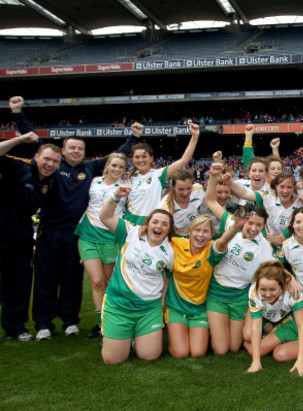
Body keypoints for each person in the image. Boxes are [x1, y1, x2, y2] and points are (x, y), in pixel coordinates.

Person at [9, 95, 144, 341]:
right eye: (71, 148)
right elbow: (34, 142)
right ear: (63, 150)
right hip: (49, 231)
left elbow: (117, 158)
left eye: (80, 149)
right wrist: (18, 113)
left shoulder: (90, 169)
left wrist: (133, 138)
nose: (75, 151)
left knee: (71, 279)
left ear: (84, 152)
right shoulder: (52, 166)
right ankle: (43, 324)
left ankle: (70, 321)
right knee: (45, 278)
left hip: (77, 234)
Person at [98, 185, 174, 364]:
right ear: (147, 224)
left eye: (164, 224)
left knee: (150, 355)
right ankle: (117, 335)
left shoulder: (169, 252)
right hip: (119, 305)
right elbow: (105, 217)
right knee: (112, 360)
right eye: (155, 222)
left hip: (148, 309)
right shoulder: (130, 232)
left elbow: (168, 276)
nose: (159, 226)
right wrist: (116, 196)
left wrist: (163, 298)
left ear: (169, 230)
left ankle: (133, 337)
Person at [206, 204, 291, 355]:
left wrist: (292, 280)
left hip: (240, 297)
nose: (254, 228)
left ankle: (260, 325)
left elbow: (275, 267)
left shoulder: (263, 245)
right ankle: (210, 330)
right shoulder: (231, 229)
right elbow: (217, 249)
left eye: (259, 225)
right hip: (218, 294)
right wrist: (234, 228)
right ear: (243, 220)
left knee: (234, 347)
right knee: (221, 349)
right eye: (250, 223)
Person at [0, 133, 61, 341]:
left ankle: (14, 328)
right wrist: (18, 140)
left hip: (22, 235)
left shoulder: (53, 181)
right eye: (47, 159)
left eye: (55, 161)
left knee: (18, 283)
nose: (50, 164)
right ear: (36, 157)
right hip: (2, 228)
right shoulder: (20, 167)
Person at [74, 153, 128, 339]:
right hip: (88, 234)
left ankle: (111, 318)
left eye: (121, 167)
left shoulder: (126, 187)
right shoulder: (94, 181)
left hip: (111, 237)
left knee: (108, 281)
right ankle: (100, 322)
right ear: (107, 165)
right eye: (114, 165)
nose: (117, 169)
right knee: (96, 281)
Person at [243, 261, 303, 376]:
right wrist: (256, 362)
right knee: (248, 335)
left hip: (283, 316)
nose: (268, 294)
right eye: (263, 289)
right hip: (263, 314)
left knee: (264, 347)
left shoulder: (293, 292)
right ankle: (245, 342)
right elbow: (256, 326)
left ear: (283, 285)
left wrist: (301, 359)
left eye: (272, 289)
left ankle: (269, 331)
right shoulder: (254, 291)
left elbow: (301, 325)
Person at [124, 123, 199, 225]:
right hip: (129, 226)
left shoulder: (158, 175)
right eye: (137, 157)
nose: (140, 160)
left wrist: (194, 136)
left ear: (151, 158)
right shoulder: (128, 178)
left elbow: (184, 160)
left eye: (144, 156)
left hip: (152, 226)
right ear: (132, 159)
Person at [166, 215, 216, 358]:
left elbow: (225, 242)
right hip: (176, 306)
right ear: (190, 232)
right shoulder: (175, 243)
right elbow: (156, 235)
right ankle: (175, 338)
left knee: (197, 353)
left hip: (199, 308)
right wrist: (143, 228)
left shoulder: (212, 249)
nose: (200, 235)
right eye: (197, 230)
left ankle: (185, 334)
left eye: (205, 231)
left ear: (211, 235)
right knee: (181, 353)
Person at [158, 169, 207, 237]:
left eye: (189, 188)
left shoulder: (198, 189)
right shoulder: (165, 207)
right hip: (180, 237)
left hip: (201, 233)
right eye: (181, 189)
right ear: (173, 187)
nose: (185, 193)